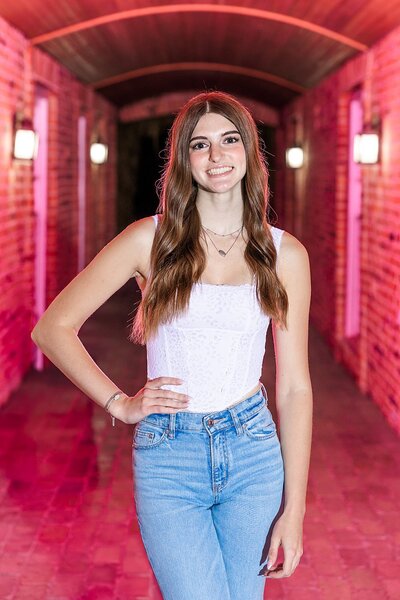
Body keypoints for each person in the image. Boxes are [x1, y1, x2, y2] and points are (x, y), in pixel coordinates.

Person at [31, 90, 312, 600]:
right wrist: (120, 402)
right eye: (200, 145)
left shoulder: (284, 253)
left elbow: (294, 387)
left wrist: (294, 510)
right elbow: (52, 327)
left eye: (230, 140)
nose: (217, 156)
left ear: (250, 151)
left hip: (253, 450)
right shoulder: (149, 240)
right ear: (184, 159)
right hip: (170, 455)